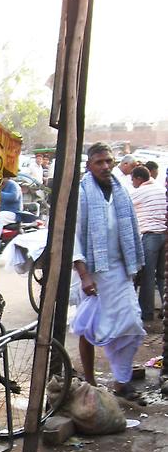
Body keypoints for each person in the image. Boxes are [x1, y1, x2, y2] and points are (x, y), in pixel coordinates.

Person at [71, 142, 146, 402]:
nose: (105, 166)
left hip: (120, 269)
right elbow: (74, 238)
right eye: (99, 162)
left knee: (132, 325)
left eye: (108, 161)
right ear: (89, 165)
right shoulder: (82, 193)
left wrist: (134, 265)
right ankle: (90, 381)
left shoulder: (120, 190)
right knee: (89, 329)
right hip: (93, 270)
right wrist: (84, 275)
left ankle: (121, 381)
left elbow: (131, 230)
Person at [129, 164, 165, 323]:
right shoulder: (160, 189)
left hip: (150, 236)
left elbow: (126, 208)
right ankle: (165, 310)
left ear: (138, 179)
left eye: (133, 180)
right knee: (163, 276)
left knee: (147, 276)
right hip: (165, 235)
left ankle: (146, 313)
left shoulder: (140, 192)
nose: (132, 183)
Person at [0, 176, 23, 242]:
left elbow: (14, 197)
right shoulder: (1, 185)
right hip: (4, 211)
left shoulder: (13, 184)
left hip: (13, 212)